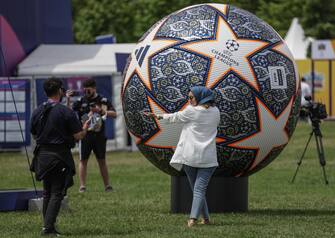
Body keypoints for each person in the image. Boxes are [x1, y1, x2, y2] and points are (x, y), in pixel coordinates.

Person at [148, 86, 220, 227]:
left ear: (200, 97)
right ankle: (205, 219)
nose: (189, 100)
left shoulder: (191, 111)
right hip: (209, 158)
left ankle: (192, 219)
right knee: (199, 190)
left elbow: (176, 117)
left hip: (190, 156)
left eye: (191, 97)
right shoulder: (216, 111)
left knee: (197, 190)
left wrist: (158, 116)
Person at [30, 78, 89, 236]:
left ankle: (48, 226)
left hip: (42, 156)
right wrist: (85, 128)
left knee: (47, 192)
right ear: (60, 91)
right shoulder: (65, 111)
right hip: (59, 156)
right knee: (57, 192)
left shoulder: (37, 111)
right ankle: (48, 228)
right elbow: (78, 136)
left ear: (45, 92)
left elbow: (34, 133)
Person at [66, 79, 117, 193]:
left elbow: (114, 114)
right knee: (83, 160)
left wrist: (101, 111)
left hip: (99, 135)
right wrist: (68, 99)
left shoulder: (102, 100)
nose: (86, 92)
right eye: (84, 90)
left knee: (102, 160)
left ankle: (107, 186)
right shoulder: (81, 100)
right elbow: (68, 113)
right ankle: (82, 186)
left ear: (94, 88)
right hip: (85, 135)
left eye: (88, 89)